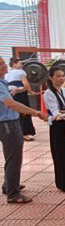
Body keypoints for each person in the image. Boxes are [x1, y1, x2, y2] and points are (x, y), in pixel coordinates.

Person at [0, 56, 47, 203]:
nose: (4, 65)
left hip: (8, 122)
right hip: (8, 124)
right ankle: (13, 194)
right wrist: (36, 112)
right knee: (14, 158)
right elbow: (9, 103)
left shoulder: (4, 82)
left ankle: (9, 185)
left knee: (10, 156)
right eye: (1, 64)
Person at [6, 58, 38, 141]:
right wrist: (31, 92)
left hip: (10, 94)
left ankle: (16, 133)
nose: (22, 65)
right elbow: (26, 85)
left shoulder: (7, 74)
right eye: (20, 63)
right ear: (14, 64)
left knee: (15, 113)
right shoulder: (20, 72)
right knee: (25, 112)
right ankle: (25, 133)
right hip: (20, 94)